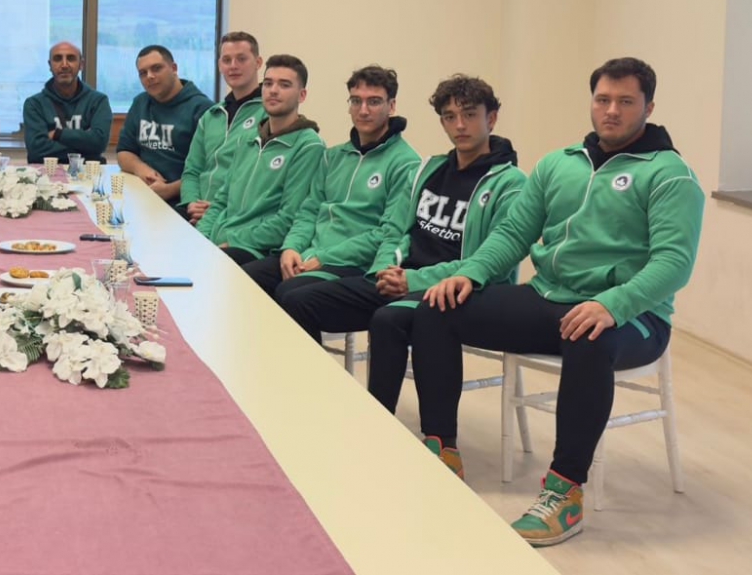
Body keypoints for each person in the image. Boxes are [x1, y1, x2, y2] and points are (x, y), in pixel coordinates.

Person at [411, 58, 703, 547]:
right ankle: (442, 449)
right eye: (603, 99)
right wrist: (470, 273)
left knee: (590, 337)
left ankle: (564, 492)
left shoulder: (670, 175)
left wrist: (612, 304)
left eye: (625, 101)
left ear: (648, 107)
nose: (611, 110)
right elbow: (513, 233)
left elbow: (674, 262)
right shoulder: (558, 164)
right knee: (436, 310)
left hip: (635, 316)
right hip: (549, 298)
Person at [278, 75, 525, 413]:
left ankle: (379, 421)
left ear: (491, 118)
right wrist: (385, 269)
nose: (459, 125)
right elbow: (394, 231)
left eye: (469, 115)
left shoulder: (510, 183)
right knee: (297, 299)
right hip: (401, 278)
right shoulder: (430, 170)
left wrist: (413, 280)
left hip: (458, 289)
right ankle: (310, 402)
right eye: (449, 117)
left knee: (387, 320)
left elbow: (488, 260)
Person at [239, 65, 421, 303]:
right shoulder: (332, 156)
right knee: (244, 277)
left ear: (392, 106)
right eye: (356, 101)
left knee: (293, 295)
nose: (363, 110)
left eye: (374, 102)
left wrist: (324, 258)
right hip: (309, 254)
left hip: (352, 264)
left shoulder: (406, 163)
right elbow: (308, 212)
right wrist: (291, 248)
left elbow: (386, 233)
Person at [197, 54, 323, 265]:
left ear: (302, 95)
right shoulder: (247, 138)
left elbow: (288, 218)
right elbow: (221, 200)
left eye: (284, 85)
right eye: (268, 83)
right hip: (221, 240)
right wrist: (199, 237)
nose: (273, 90)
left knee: (208, 267)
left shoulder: (309, 146)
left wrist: (232, 241)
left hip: (257, 249)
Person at [181, 31, 266, 225]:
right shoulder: (211, 115)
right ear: (220, 65)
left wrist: (218, 210)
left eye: (241, 59)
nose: (233, 66)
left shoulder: (268, 114)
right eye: (227, 60)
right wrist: (191, 203)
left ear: (258, 63)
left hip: (236, 217)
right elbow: (192, 170)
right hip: (196, 213)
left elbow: (261, 179)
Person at [115, 45, 212, 206]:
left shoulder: (202, 109)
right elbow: (124, 152)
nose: (150, 76)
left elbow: (211, 171)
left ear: (174, 68)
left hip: (185, 201)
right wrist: (143, 170)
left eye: (156, 68)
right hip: (143, 193)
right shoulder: (140, 103)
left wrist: (169, 190)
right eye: (143, 73)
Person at [22, 41, 113, 165]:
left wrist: (58, 134)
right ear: (50, 65)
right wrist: (87, 147)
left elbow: (99, 143)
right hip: (47, 172)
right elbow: (36, 149)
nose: (64, 65)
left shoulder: (98, 101)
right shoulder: (34, 104)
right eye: (57, 59)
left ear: (81, 64)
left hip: (88, 172)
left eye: (71, 58)